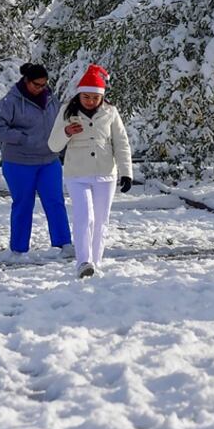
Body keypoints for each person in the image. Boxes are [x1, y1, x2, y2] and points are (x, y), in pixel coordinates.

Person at [48, 64, 133, 279]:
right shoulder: (67, 111)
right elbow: (53, 145)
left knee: (101, 220)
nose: (90, 101)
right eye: (86, 96)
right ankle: (83, 262)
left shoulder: (111, 112)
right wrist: (67, 132)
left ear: (102, 97)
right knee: (84, 216)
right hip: (77, 174)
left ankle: (95, 262)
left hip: (106, 173)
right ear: (79, 94)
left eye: (95, 97)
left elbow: (121, 143)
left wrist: (126, 172)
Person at [0, 63, 72, 256]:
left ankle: (64, 244)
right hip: (19, 162)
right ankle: (18, 250)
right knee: (23, 204)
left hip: (49, 160)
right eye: (37, 84)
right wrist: (22, 138)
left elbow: (61, 122)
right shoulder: (9, 102)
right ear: (26, 81)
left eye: (44, 84)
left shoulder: (52, 100)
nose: (41, 88)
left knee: (55, 202)